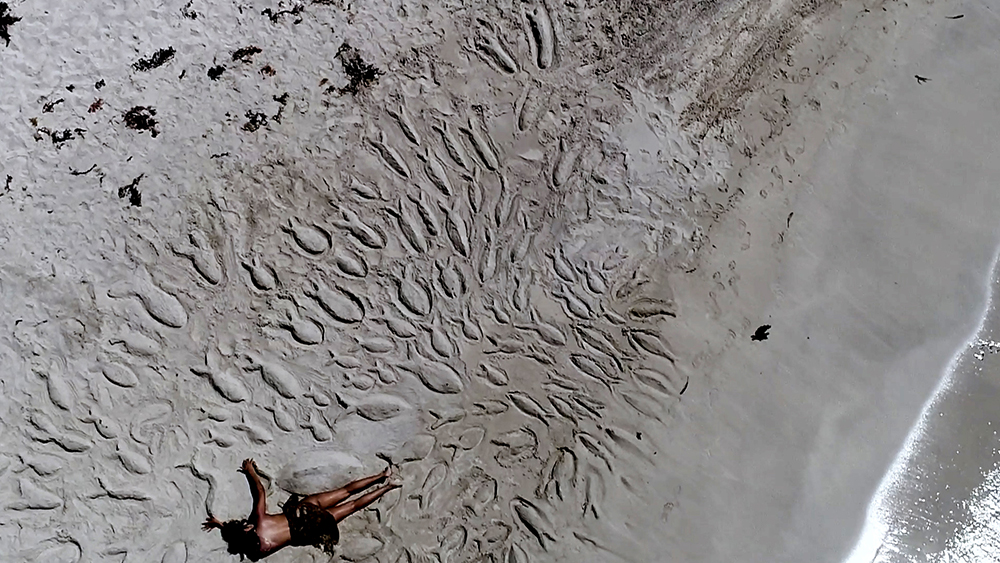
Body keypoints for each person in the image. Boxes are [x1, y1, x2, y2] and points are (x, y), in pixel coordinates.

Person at [203, 458, 401, 560]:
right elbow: (260, 492)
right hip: (303, 511)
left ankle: (388, 486)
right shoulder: (259, 520)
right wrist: (251, 472)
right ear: (246, 528)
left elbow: (240, 539)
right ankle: (382, 475)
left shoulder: (258, 552)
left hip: (309, 529)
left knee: (352, 507)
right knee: (346, 491)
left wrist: (222, 526)